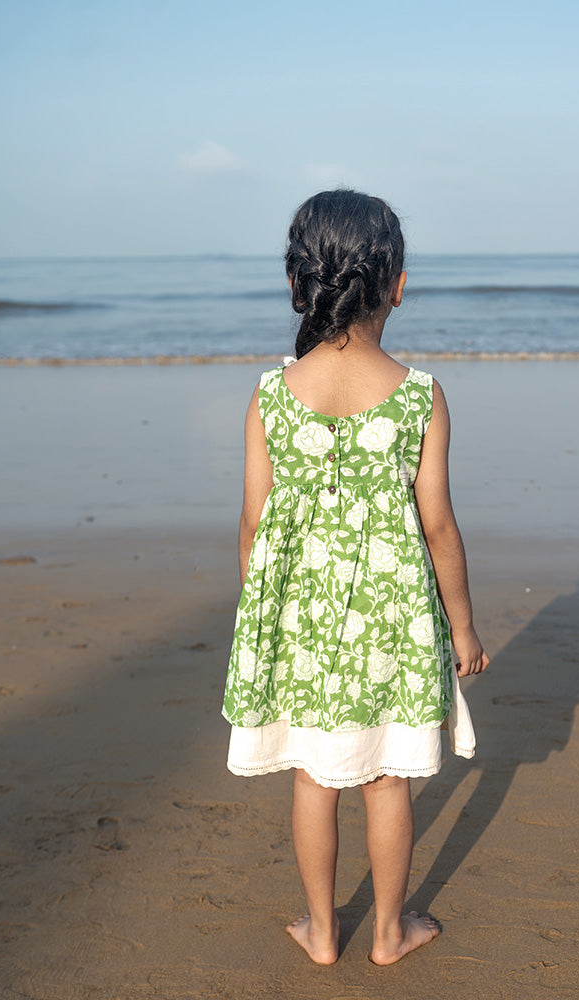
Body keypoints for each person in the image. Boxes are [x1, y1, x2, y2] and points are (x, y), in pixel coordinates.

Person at [223, 190, 490, 966]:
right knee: (387, 780)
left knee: (314, 776)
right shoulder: (419, 397)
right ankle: (388, 931)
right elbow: (438, 526)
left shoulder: (272, 396)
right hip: (393, 623)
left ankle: (320, 930)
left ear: (299, 284)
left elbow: (252, 523)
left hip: (301, 627)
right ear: (397, 284)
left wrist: (259, 616)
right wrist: (463, 626)